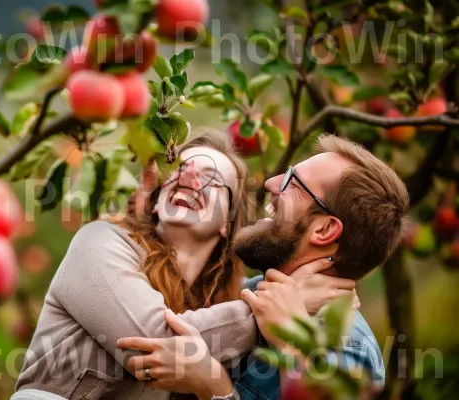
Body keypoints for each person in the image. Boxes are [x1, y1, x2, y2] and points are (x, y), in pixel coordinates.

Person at [12, 130, 354, 400]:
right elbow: (152, 342)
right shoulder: (99, 242)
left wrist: (215, 384)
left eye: (211, 179)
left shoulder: (220, 320)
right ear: (157, 201)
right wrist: (280, 309)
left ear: (227, 223)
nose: (190, 179)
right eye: (179, 170)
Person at [118, 134, 410, 399]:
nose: (271, 182)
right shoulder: (247, 294)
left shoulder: (345, 348)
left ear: (323, 231)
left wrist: (214, 385)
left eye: (292, 182)